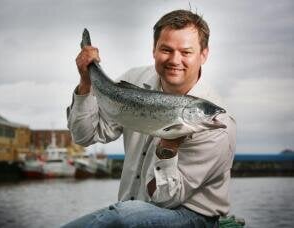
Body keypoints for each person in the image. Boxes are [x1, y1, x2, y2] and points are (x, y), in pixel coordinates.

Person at [64, 9, 236, 228]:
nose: (175, 60)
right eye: (166, 49)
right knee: (126, 213)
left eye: (186, 52)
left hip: (192, 217)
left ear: (203, 54)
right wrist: (86, 82)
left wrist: (168, 149)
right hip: (129, 208)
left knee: (123, 215)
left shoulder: (215, 126)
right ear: (154, 50)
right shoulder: (134, 80)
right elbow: (84, 136)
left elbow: (166, 199)